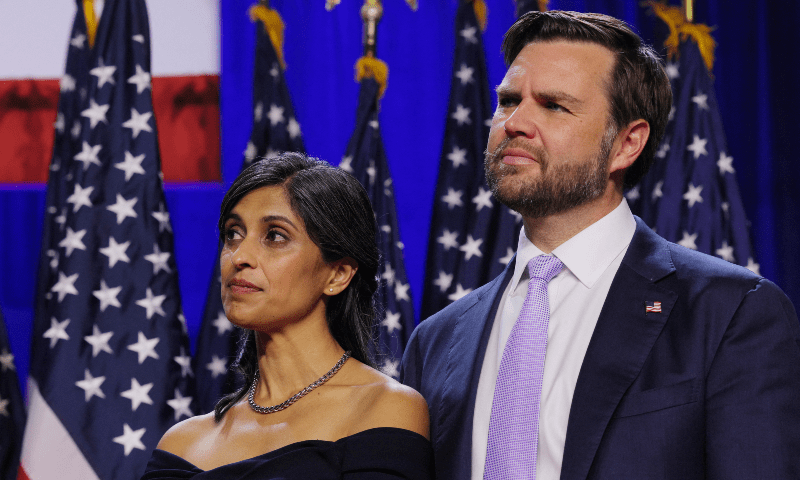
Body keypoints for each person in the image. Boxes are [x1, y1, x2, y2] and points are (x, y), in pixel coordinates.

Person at [401, 10, 800, 480]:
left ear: (627, 144)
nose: (515, 122)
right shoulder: (436, 341)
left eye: (554, 105)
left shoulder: (730, 313)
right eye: (508, 100)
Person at [143, 152, 432, 479]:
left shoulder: (384, 409)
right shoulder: (181, 445)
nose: (239, 256)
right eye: (233, 233)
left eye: (275, 236)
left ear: (337, 274)